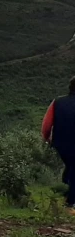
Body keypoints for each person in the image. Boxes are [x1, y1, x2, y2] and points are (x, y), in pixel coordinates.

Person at [42, 76, 75, 212]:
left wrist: (46, 138)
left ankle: (65, 190)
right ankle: (69, 203)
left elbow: (46, 124)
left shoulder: (57, 102)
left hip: (60, 144)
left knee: (71, 167)